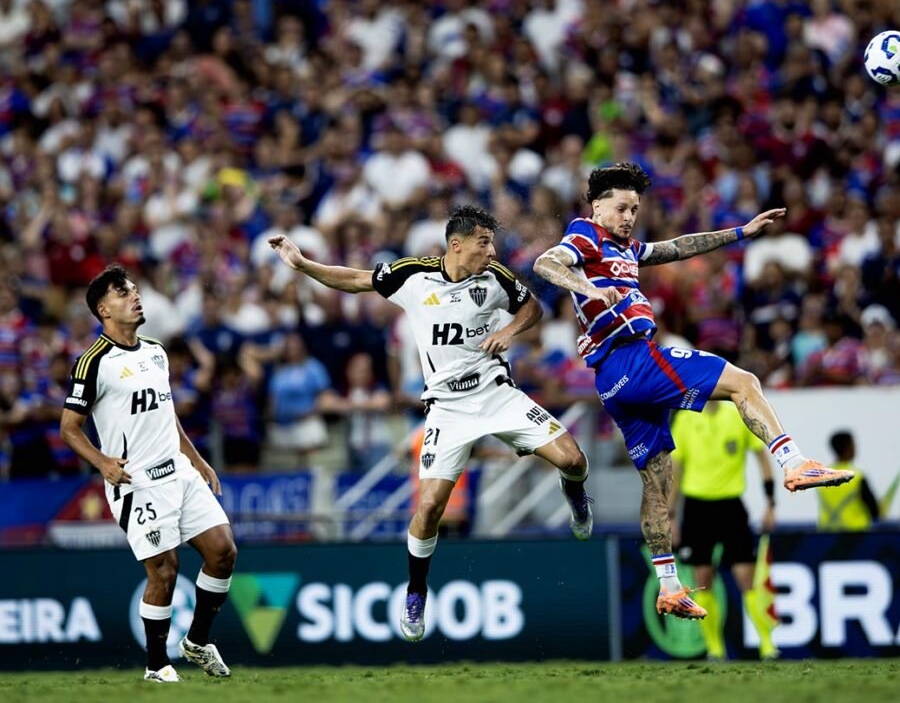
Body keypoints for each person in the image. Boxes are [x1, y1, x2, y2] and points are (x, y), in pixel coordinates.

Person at [533, 162, 853, 620]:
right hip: (634, 358)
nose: (629, 217)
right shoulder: (585, 235)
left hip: (612, 380)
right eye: (621, 208)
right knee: (745, 382)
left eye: (635, 209)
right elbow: (545, 263)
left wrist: (740, 232)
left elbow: (679, 246)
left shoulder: (627, 248)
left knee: (657, 479)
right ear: (597, 206)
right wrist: (587, 288)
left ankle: (668, 587)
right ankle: (794, 463)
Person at [269, 205, 593, 642]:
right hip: (446, 408)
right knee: (429, 508)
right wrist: (304, 265)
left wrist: (509, 332)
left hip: (497, 394)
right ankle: (416, 592)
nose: (492, 251)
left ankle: (575, 496)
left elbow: (532, 309)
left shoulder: (495, 278)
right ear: (456, 245)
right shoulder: (413, 276)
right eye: (484, 243)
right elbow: (355, 280)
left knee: (574, 460)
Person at [59, 265, 236, 683]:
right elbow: (69, 428)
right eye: (123, 293)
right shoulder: (93, 362)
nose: (135, 297)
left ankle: (197, 641)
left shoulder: (156, 351)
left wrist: (197, 459)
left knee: (223, 552)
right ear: (103, 309)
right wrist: (102, 462)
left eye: (135, 290)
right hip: (137, 482)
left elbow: (166, 413)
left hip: (179, 471)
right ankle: (157, 665)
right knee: (164, 570)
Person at [669, 400, 779, 660]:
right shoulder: (685, 419)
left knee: (747, 579)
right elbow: (677, 469)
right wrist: (670, 515)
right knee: (702, 579)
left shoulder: (738, 416)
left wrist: (771, 503)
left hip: (731, 507)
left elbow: (762, 457)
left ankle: (767, 645)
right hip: (697, 508)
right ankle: (715, 649)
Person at [819, 430, 880, 531]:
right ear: (848, 448)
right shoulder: (857, 476)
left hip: (828, 533)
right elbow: (874, 510)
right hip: (856, 533)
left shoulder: (822, 475)